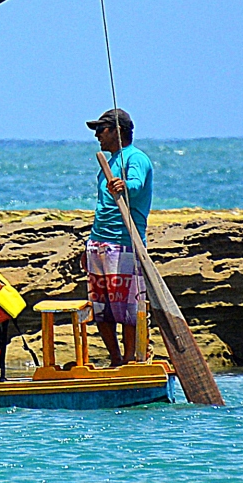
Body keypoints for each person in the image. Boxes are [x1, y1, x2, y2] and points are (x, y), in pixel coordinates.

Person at [86, 107, 153, 367]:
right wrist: (90, 244)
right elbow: (103, 205)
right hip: (99, 242)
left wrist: (124, 185)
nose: (97, 136)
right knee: (102, 309)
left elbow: (135, 185)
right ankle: (115, 359)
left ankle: (130, 360)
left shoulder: (135, 158)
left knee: (127, 310)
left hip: (124, 243)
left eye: (101, 130)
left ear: (118, 131)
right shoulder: (108, 162)